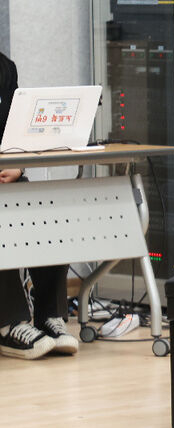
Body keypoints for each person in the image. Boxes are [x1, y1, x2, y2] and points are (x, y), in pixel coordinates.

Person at [0, 51, 79, 359]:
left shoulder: (5, 69)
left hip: (6, 178)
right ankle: (9, 323)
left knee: (47, 212)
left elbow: (16, 132)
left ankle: (49, 316)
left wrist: (17, 165)